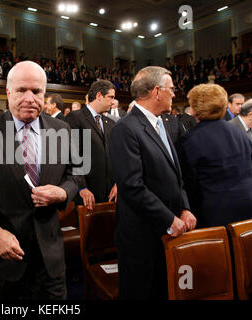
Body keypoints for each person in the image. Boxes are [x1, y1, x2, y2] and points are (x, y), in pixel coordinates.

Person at [0, 61, 79, 299]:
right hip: (2, 257)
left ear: (44, 94)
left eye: (36, 91)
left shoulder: (62, 128)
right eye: (21, 90)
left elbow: (77, 174)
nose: (29, 98)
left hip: (50, 257)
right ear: (8, 92)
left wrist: (64, 193)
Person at [109, 66, 196, 299]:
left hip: (168, 230)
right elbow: (132, 187)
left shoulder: (162, 123)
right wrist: (169, 219)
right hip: (142, 239)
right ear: (157, 91)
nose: (174, 94)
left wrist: (184, 207)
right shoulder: (125, 129)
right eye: (171, 89)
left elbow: (175, 175)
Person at [177, 84, 252, 227]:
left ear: (194, 108)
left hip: (215, 216)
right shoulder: (239, 133)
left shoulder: (189, 141)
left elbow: (188, 184)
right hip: (247, 209)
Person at [66, 80, 117, 209]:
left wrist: (118, 183)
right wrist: (81, 187)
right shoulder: (75, 117)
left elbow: (116, 156)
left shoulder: (110, 123)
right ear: (99, 96)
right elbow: (73, 155)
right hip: (87, 194)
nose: (113, 102)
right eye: (110, 97)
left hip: (110, 194)